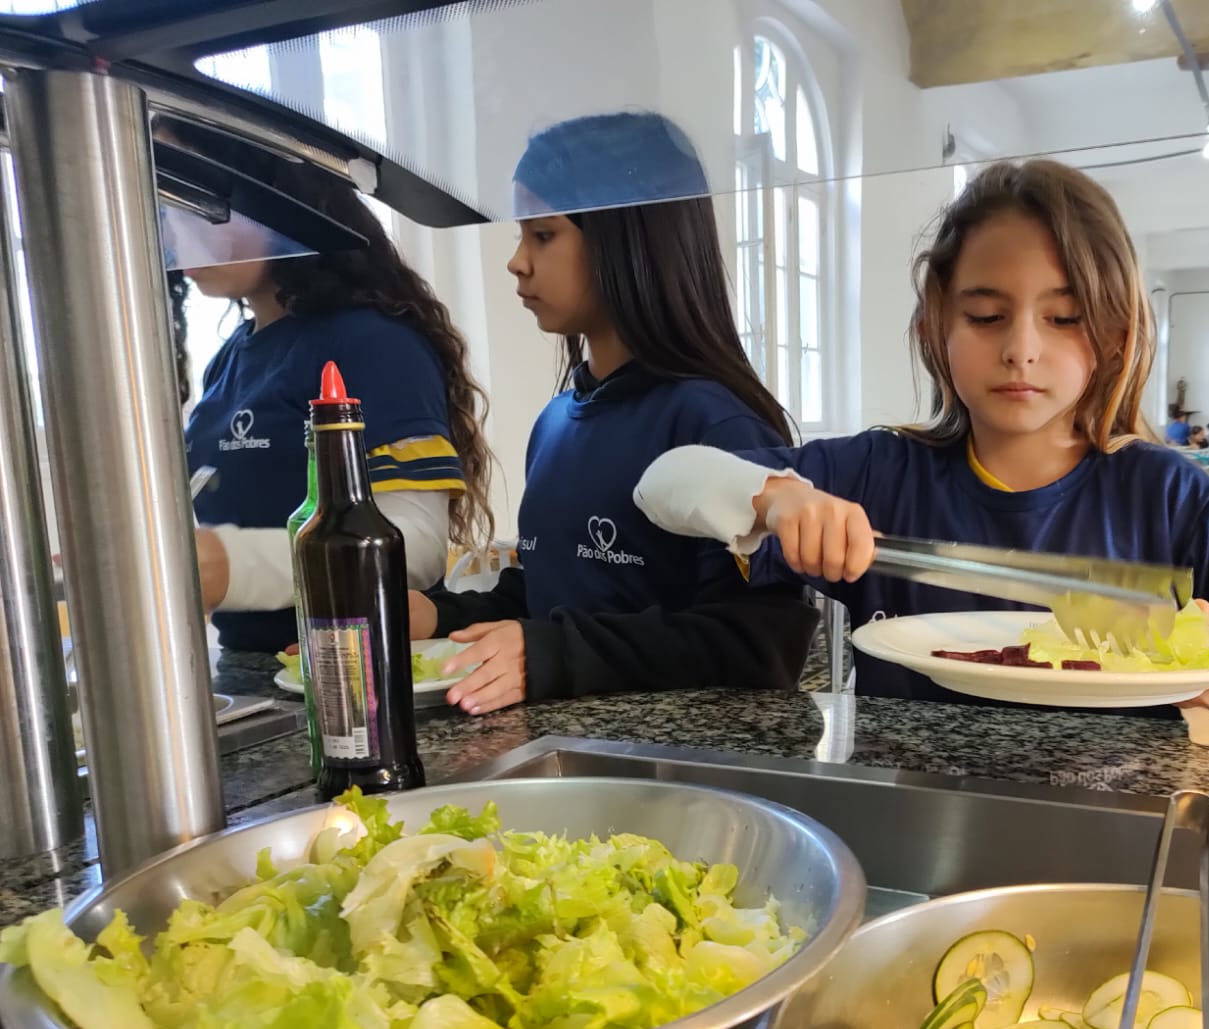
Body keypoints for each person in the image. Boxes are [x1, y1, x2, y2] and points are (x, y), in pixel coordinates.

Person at [637, 159, 1209, 748]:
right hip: (914, 821)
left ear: (1117, 335)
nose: (1021, 349)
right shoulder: (880, 474)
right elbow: (666, 479)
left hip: (1119, 833)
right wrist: (780, 496)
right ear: (936, 322)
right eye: (985, 316)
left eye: (1064, 319)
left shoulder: (1167, 496)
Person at [408, 112, 817, 714]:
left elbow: (759, 642)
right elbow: (557, 597)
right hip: (566, 750)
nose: (516, 262)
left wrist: (554, 656)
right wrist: (439, 615)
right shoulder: (555, 422)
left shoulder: (717, 426)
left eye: (543, 234)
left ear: (628, 240)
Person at [174, 125, 493, 653]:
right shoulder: (231, 355)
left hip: (353, 671)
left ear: (276, 201)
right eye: (172, 205)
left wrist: (230, 563)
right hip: (253, 668)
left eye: (200, 200)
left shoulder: (373, 343)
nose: (180, 228)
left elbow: (415, 549)